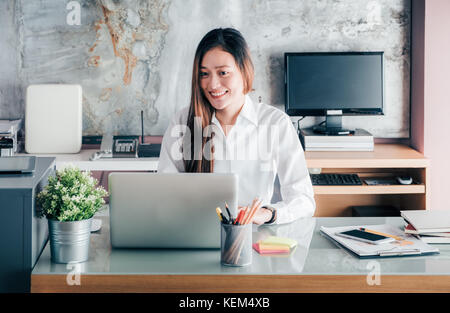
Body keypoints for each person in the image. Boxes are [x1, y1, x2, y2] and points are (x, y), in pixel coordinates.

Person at [158, 28, 315, 224]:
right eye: (204, 74)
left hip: (255, 238)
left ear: (244, 71)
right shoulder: (183, 122)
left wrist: (267, 214)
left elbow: (304, 199)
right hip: (195, 233)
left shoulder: (275, 123)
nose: (213, 84)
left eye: (223, 72)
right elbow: (165, 192)